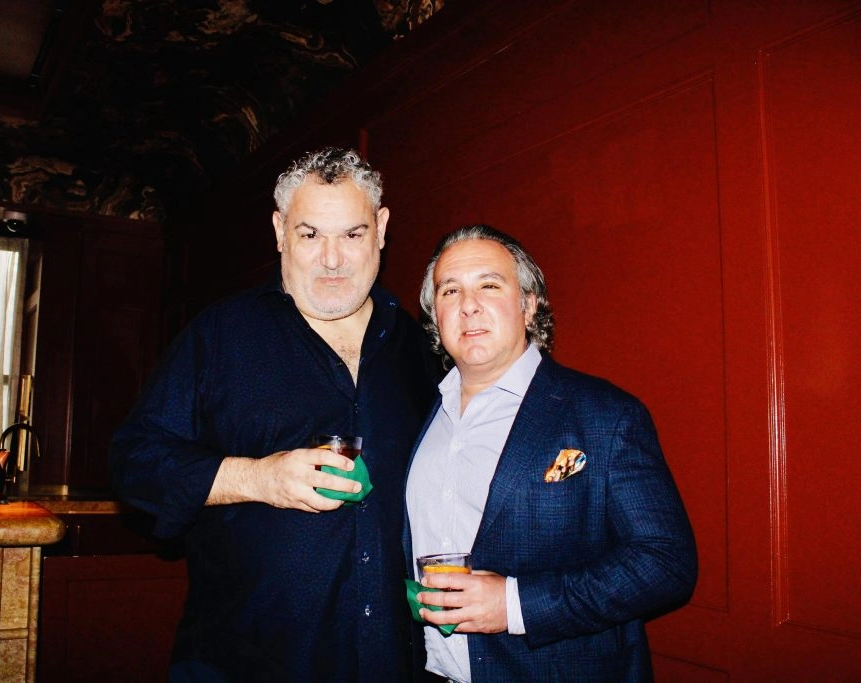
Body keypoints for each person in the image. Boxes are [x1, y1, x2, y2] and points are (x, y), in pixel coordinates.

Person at [110, 147, 441, 682]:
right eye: (310, 235)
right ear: (279, 231)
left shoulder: (422, 348)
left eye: (352, 234)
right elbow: (133, 462)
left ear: (381, 229)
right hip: (247, 663)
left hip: (393, 661)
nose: (332, 258)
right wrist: (257, 477)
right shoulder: (221, 335)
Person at [404, 224, 697, 682]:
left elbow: (666, 563)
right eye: (450, 290)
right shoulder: (422, 418)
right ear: (434, 316)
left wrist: (515, 605)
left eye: (489, 285)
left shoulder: (605, 415)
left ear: (528, 304)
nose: (468, 304)